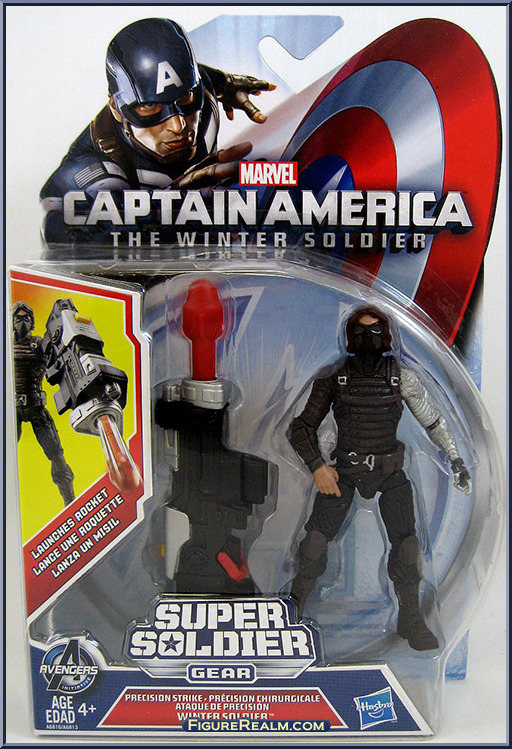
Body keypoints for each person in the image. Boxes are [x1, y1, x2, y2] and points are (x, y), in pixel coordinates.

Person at [289, 306, 471, 651]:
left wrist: (456, 459)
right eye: (360, 332)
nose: (367, 339)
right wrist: (317, 466)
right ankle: (292, 610)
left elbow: (433, 421)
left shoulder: (401, 378)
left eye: (374, 332)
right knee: (314, 542)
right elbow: (301, 428)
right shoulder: (334, 378)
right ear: (350, 337)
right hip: (344, 472)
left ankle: (410, 617)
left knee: (408, 546)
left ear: (385, 336)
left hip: (389, 473)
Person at [40, 17, 276, 248]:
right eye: (149, 106)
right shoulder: (94, 174)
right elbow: (59, 231)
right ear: (116, 108)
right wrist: (166, 212)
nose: (178, 126)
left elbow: (191, 78)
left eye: (185, 97)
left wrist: (226, 83)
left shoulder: (201, 97)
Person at [12, 302, 75, 506]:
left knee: (57, 457)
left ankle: (70, 503)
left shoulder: (39, 343)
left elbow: (57, 362)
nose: (22, 322)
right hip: (11, 411)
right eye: (18, 318)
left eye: (26, 318)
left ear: (32, 322)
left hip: (36, 406)